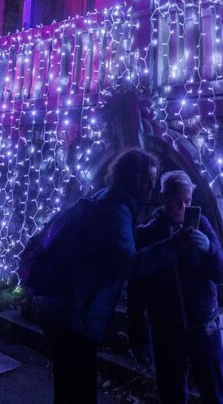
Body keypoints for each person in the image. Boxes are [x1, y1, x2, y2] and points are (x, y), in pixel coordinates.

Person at [32, 148, 180, 404]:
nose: (151, 188)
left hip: (63, 308)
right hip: (74, 314)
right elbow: (129, 265)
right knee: (78, 390)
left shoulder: (108, 198)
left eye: (154, 181)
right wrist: (174, 245)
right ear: (132, 177)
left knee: (68, 386)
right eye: (147, 180)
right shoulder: (116, 210)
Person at [129, 171, 223, 404]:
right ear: (163, 199)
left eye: (188, 201)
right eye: (177, 200)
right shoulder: (147, 233)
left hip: (204, 327)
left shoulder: (202, 225)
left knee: (214, 393)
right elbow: (137, 286)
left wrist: (209, 250)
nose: (183, 207)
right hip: (166, 331)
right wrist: (137, 333)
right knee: (171, 395)